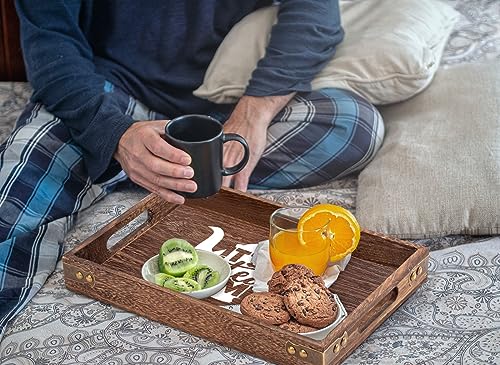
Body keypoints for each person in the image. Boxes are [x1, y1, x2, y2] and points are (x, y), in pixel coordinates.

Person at [0, 0, 384, 336]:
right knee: (17, 187)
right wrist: (114, 135)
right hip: (112, 99)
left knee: (354, 126)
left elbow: (317, 15)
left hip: (229, 108)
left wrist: (255, 110)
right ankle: (135, 163)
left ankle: (136, 169)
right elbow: (51, 42)